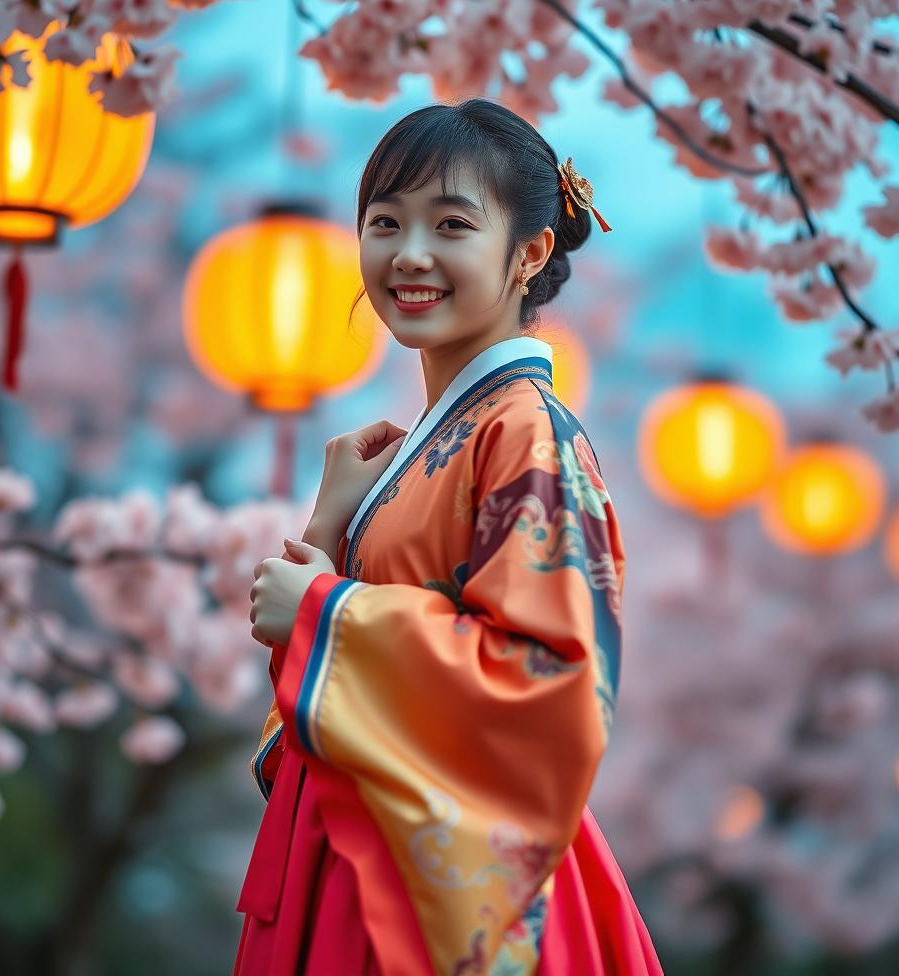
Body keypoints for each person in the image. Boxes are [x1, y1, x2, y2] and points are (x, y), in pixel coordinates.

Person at [233, 98, 664, 976]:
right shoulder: (441, 438)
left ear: (529, 253)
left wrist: (327, 607)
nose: (409, 254)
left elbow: (554, 679)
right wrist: (329, 534)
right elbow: (316, 665)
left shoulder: (524, 433)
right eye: (384, 222)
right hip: (363, 847)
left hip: (443, 891)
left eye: (452, 224)